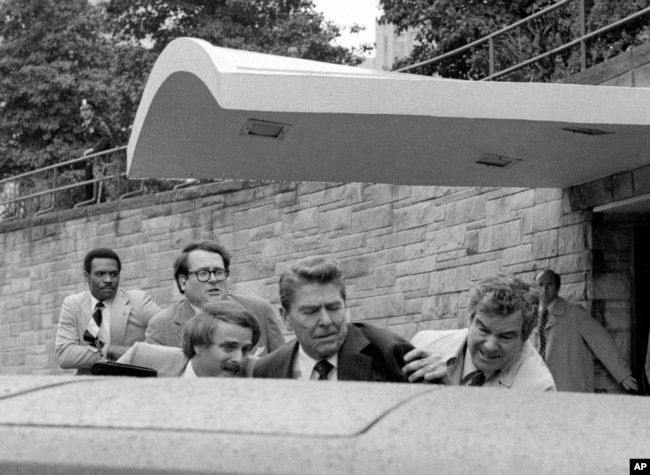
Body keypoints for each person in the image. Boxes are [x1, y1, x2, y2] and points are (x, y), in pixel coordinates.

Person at [253, 256, 414, 382]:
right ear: (286, 318)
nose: (326, 321)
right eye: (311, 311)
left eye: (333, 307)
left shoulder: (390, 353)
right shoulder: (267, 371)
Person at [403, 274, 555, 390]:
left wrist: (447, 396)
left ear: (525, 336)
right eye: (483, 330)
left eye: (505, 336)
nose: (490, 346)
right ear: (470, 319)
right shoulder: (423, 345)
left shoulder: (538, 388)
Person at [145, 240, 285, 356]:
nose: (213, 279)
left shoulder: (259, 309)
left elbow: (283, 366)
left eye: (219, 272)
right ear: (183, 282)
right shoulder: (161, 326)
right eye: (203, 273)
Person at [55, 248, 161, 374]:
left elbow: (169, 328)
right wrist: (110, 350)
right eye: (100, 274)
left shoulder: (138, 302)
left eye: (113, 274)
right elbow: (65, 355)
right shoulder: (72, 305)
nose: (108, 280)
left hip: (131, 384)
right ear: (87, 276)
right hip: (89, 386)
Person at [534, 269, 638, 393]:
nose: (544, 290)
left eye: (549, 285)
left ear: (557, 288)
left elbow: (600, 340)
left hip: (568, 389)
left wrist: (622, 374)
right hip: (539, 389)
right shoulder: (529, 316)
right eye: (540, 285)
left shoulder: (574, 313)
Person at [118, 301, 260, 377]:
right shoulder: (142, 359)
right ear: (199, 345)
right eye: (229, 347)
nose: (239, 359)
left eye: (246, 349)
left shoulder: (259, 372)